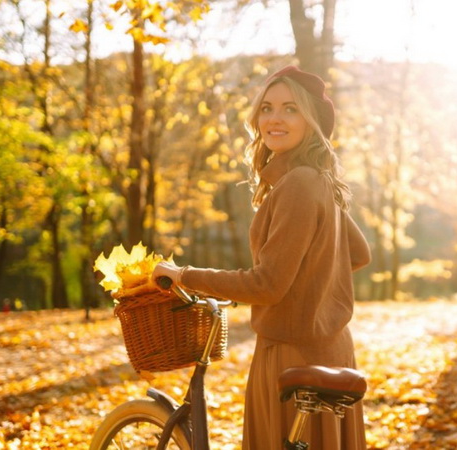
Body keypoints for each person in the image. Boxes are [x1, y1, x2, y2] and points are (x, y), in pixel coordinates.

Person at [152, 65, 371, 449]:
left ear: (311, 120)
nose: (274, 118)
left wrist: (184, 274)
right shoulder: (316, 180)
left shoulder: (299, 184)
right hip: (331, 349)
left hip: (292, 355)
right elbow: (359, 252)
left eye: (291, 109)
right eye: (267, 107)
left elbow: (266, 285)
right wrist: (312, 280)